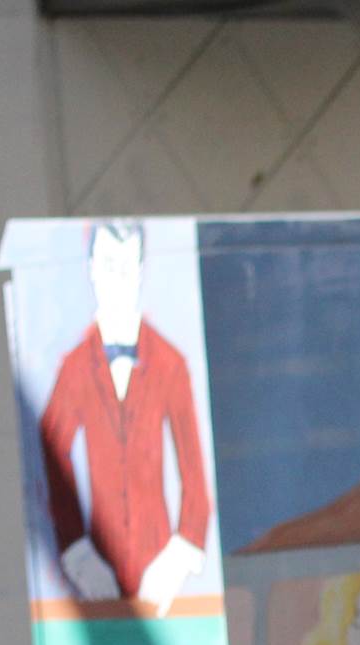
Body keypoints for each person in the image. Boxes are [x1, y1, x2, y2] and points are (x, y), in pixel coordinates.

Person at [38, 219, 210, 612]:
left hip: (161, 570)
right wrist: (79, 553)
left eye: (127, 268)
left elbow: (195, 473)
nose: (117, 280)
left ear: (141, 271)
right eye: (109, 266)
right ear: (91, 269)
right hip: (97, 573)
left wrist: (176, 561)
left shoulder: (169, 362)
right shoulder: (75, 367)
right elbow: (50, 451)